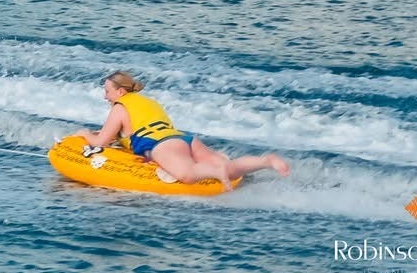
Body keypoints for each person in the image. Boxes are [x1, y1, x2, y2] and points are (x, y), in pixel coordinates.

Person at [74, 70, 290, 188]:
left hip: (161, 145)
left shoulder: (120, 108)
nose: (105, 96)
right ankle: (265, 161)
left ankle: (216, 172)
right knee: (229, 167)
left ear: (120, 92)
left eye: (107, 91)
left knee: (188, 174)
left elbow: (101, 142)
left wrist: (84, 134)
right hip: (183, 139)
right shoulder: (148, 102)